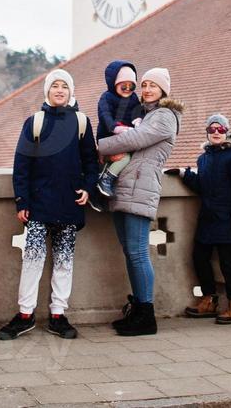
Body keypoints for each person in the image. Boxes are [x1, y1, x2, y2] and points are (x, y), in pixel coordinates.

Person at [0, 68, 98, 341]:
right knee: (32, 259)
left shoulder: (82, 122)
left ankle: (58, 314)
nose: (60, 90)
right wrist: (22, 200)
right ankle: (25, 314)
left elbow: (92, 162)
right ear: (47, 91)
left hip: (70, 202)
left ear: (71, 91)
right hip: (39, 205)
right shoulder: (35, 122)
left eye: (64, 86)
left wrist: (88, 188)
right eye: (55, 86)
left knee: (64, 261)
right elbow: (22, 165)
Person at [95, 66, 182, 337]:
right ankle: (138, 309)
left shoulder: (165, 116)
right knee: (130, 252)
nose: (146, 90)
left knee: (138, 252)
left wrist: (97, 146)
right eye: (143, 85)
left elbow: (134, 139)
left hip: (141, 187)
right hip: (126, 186)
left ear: (163, 90)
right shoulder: (144, 114)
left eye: (152, 85)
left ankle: (146, 315)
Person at [170, 113, 231, 324]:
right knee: (199, 257)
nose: (216, 133)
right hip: (208, 218)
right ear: (207, 132)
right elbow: (202, 187)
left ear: (227, 132)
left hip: (228, 218)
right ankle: (210, 300)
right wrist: (184, 174)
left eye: (220, 129)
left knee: (228, 263)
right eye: (212, 129)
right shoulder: (203, 158)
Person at [92, 59, 142, 208]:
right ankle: (106, 179)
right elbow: (104, 114)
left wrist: (138, 120)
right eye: (123, 85)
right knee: (124, 158)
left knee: (129, 158)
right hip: (108, 136)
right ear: (114, 82)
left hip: (126, 136)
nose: (127, 88)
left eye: (131, 85)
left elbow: (137, 110)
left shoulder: (133, 98)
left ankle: (101, 190)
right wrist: (114, 127)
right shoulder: (106, 97)